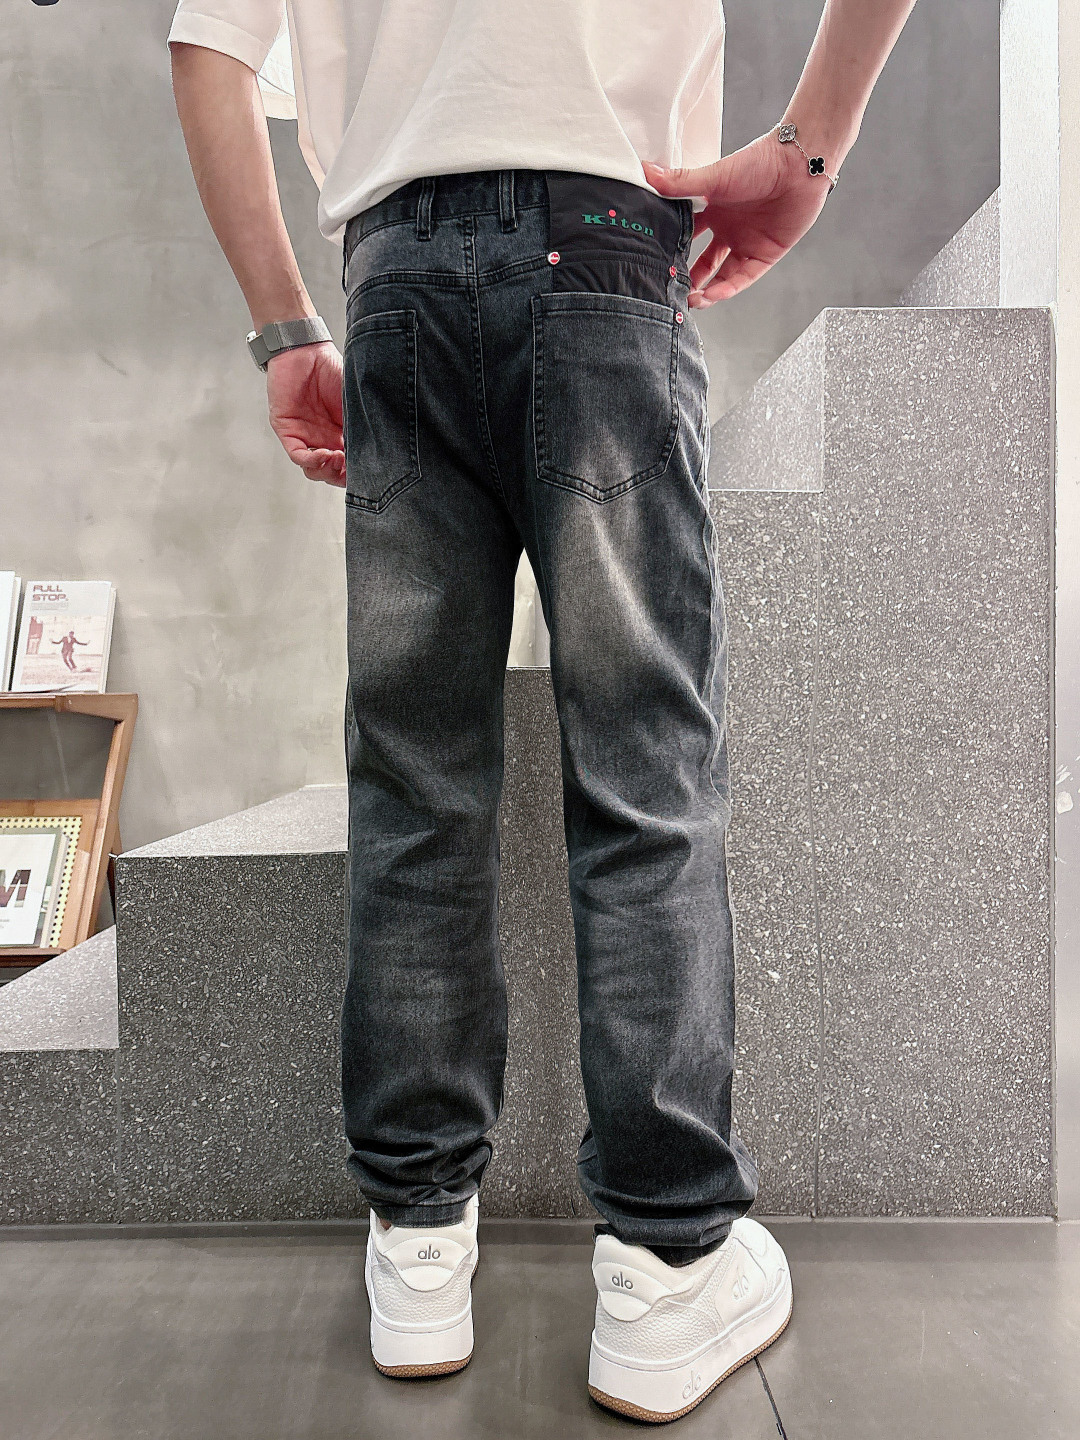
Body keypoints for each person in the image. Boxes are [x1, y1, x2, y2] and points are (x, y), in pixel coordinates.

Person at [168, 0, 918, 1421]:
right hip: (606, 249)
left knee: (416, 789)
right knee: (644, 781)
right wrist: (806, 152)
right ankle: (666, 1266)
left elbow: (207, 50)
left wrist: (284, 326)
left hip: (394, 280)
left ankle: (418, 1243)